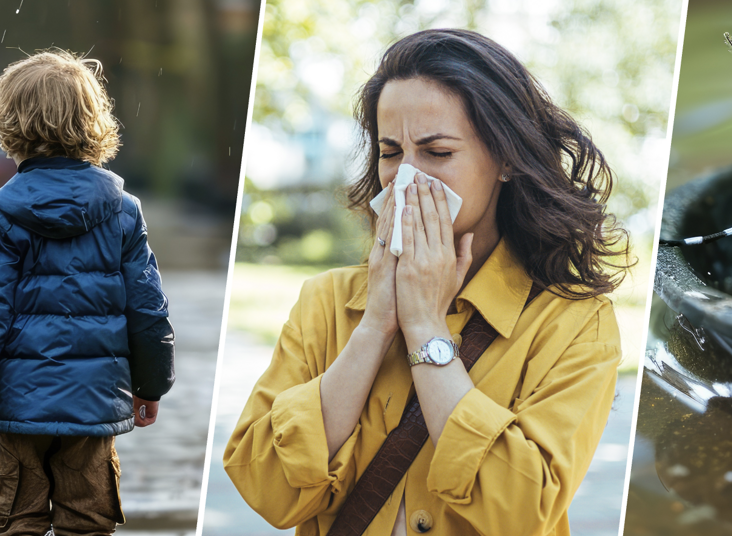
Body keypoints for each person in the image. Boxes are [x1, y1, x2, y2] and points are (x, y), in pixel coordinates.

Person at [225, 29, 627, 536]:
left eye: (437, 152)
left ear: (504, 159)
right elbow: (265, 488)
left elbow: (522, 513)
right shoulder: (326, 301)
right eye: (391, 152)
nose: (406, 177)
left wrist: (425, 327)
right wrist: (375, 326)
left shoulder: (576, 323)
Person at [0, 50, 175, 536]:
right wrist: (151, 384)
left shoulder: (0, 214)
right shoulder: (124, 211)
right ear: (93, 120)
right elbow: (149, 311)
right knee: (88, 522)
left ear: (10, 124)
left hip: (21, 412)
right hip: (95, 406)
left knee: (16, 520)